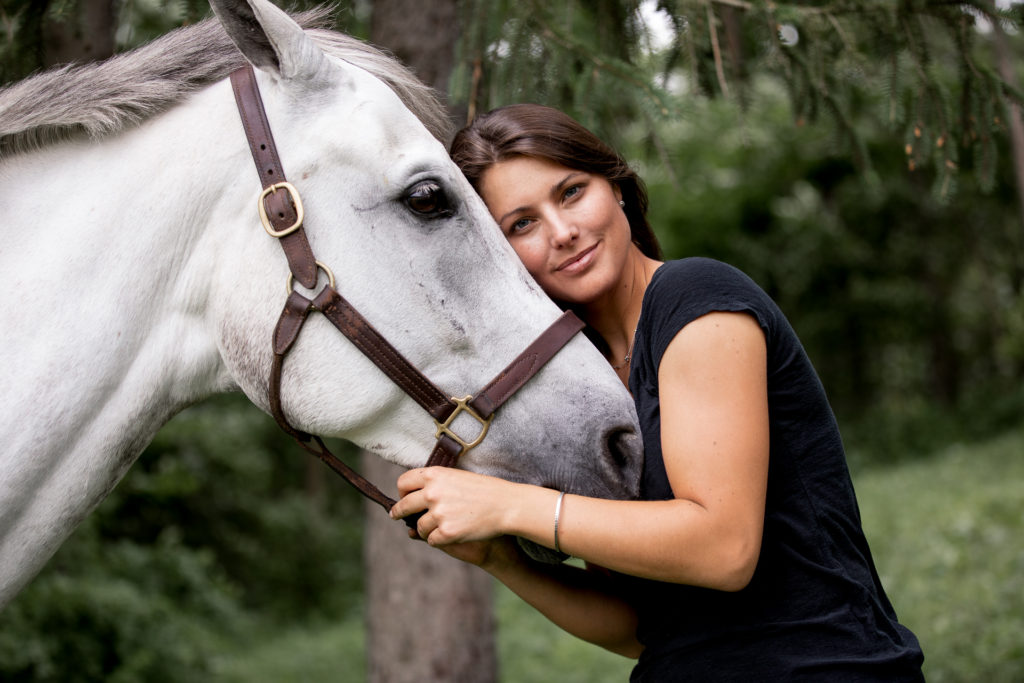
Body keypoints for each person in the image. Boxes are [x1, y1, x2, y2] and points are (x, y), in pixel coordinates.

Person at [389, 103, 925, 681]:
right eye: (522, 224)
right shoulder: (582, 386)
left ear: (615, 186)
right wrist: (500, 557)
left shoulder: (696, 299)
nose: (563, 232)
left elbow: (724, 550)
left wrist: (512, 508)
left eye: (571, 192)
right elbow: (641, 629)